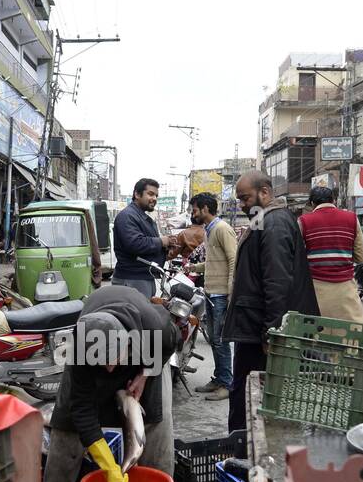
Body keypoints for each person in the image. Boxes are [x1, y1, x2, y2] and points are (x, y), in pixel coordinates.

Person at [43, 285, 179, 482]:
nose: (109, 369)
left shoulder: (156, 329)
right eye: (102, 363)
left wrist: (145, 375)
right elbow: (82, 409)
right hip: (91, 357)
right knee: (66, 419)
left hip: (145, 360)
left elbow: (168, 348)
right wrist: (108, 465)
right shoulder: (80, 346)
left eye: (113, 360)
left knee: (157, 419)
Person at [224, 171, 319, 432]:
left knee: (250, 394)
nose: (242, 204)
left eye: (245, 198)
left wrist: (271, 333)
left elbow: (277, 283)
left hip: (262, 331)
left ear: (264, 193)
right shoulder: (266, 220)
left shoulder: (274, 223)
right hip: (256, 327)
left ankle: (245, 451)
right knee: (247, 393)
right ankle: (244, 447)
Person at [188, 192, 238, 402]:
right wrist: (194, 267)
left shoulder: (221, 229)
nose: (193, 213)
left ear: (206, 209)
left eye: (195, 209)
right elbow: (214, 262)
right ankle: (219, 379)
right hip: (211, 293)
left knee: (220, 341)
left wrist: (230, 293)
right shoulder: (210, 230)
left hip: (220, 295)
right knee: (215, 341)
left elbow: (233, 260)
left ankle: (226, 384)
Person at [298, 186, 363, 325]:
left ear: (312, 204)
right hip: (346, 295)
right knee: (350, 337)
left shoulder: (303, 221)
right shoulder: (352, 219)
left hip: (315, 293)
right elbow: (361, 257)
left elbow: (297, 258)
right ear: (334, 200)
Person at [112, 178, 178, 298]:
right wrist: (162, 241)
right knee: (134, 316)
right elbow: (135, 244)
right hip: (131, 279)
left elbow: (148, 247)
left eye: (156, 195)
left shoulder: (142, 217)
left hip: (143, 278)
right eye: (150, 194)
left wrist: (165, 250)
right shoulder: (127, 216)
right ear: (137, 194)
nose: (154, 199)